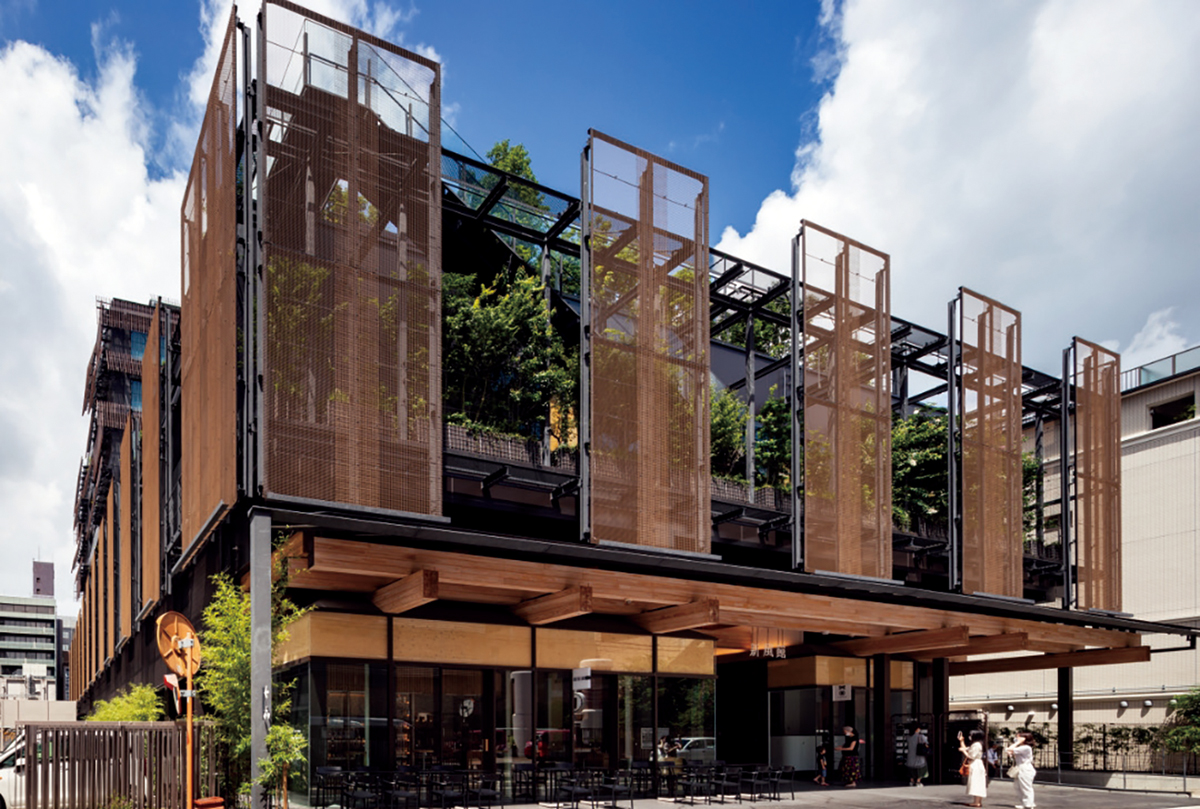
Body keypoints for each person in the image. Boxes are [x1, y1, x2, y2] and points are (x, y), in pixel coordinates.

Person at [1005, 731, 1037, 808]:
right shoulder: (1021, 748)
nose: (1016, 738)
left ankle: (1028, 804)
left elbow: (1009, 749)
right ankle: (1025, 802)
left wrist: (1018, 742)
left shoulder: (1026, 747)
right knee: (1018, 786)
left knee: (1025, 787)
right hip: (1020, 768)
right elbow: (1009, 750)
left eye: (1018, 737)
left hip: (1025, 768)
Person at [957, 729, 987, 808]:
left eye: (971, 735)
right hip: (978, 764)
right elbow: (966, 748)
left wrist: (963, 751)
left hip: (975, 764)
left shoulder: (976, 745)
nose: (969, 737)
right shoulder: (977, 744)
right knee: (979, 783)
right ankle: (978, 802)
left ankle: (976, 802)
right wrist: (961, 741)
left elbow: (970, 756)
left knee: (976, 783)